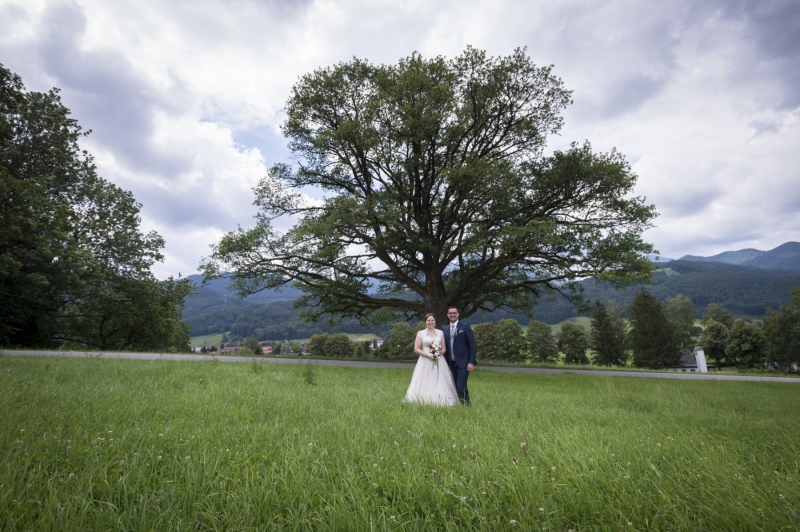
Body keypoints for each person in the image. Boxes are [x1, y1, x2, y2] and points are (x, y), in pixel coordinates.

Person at [405, 313, 459, 406]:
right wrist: (428, 355)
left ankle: (442, 400)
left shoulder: (440, 333)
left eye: (432, 320)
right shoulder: (420, 333)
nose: (431, 322)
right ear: (425, 322)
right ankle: (422, 399)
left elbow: (444, 348)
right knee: (424, 379)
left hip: (439, 359)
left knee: (440, 379)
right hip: (425, 360)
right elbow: (417, 349)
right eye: (428, 320)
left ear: (435, 321)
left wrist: (437, 354)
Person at [442, 305, 477, 405]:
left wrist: (471, 362)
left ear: (458, 314)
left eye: (454, 313)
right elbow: (446, 348)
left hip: (464, 363)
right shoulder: (445, 329)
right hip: (451, 364)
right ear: (447, 315)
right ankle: (460, 404)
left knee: (461, 386)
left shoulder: (465, 327)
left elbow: (472, 346)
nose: (452, 315)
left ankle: (467, 406)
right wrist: (447, 363)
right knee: (454, 386)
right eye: (450, 313)